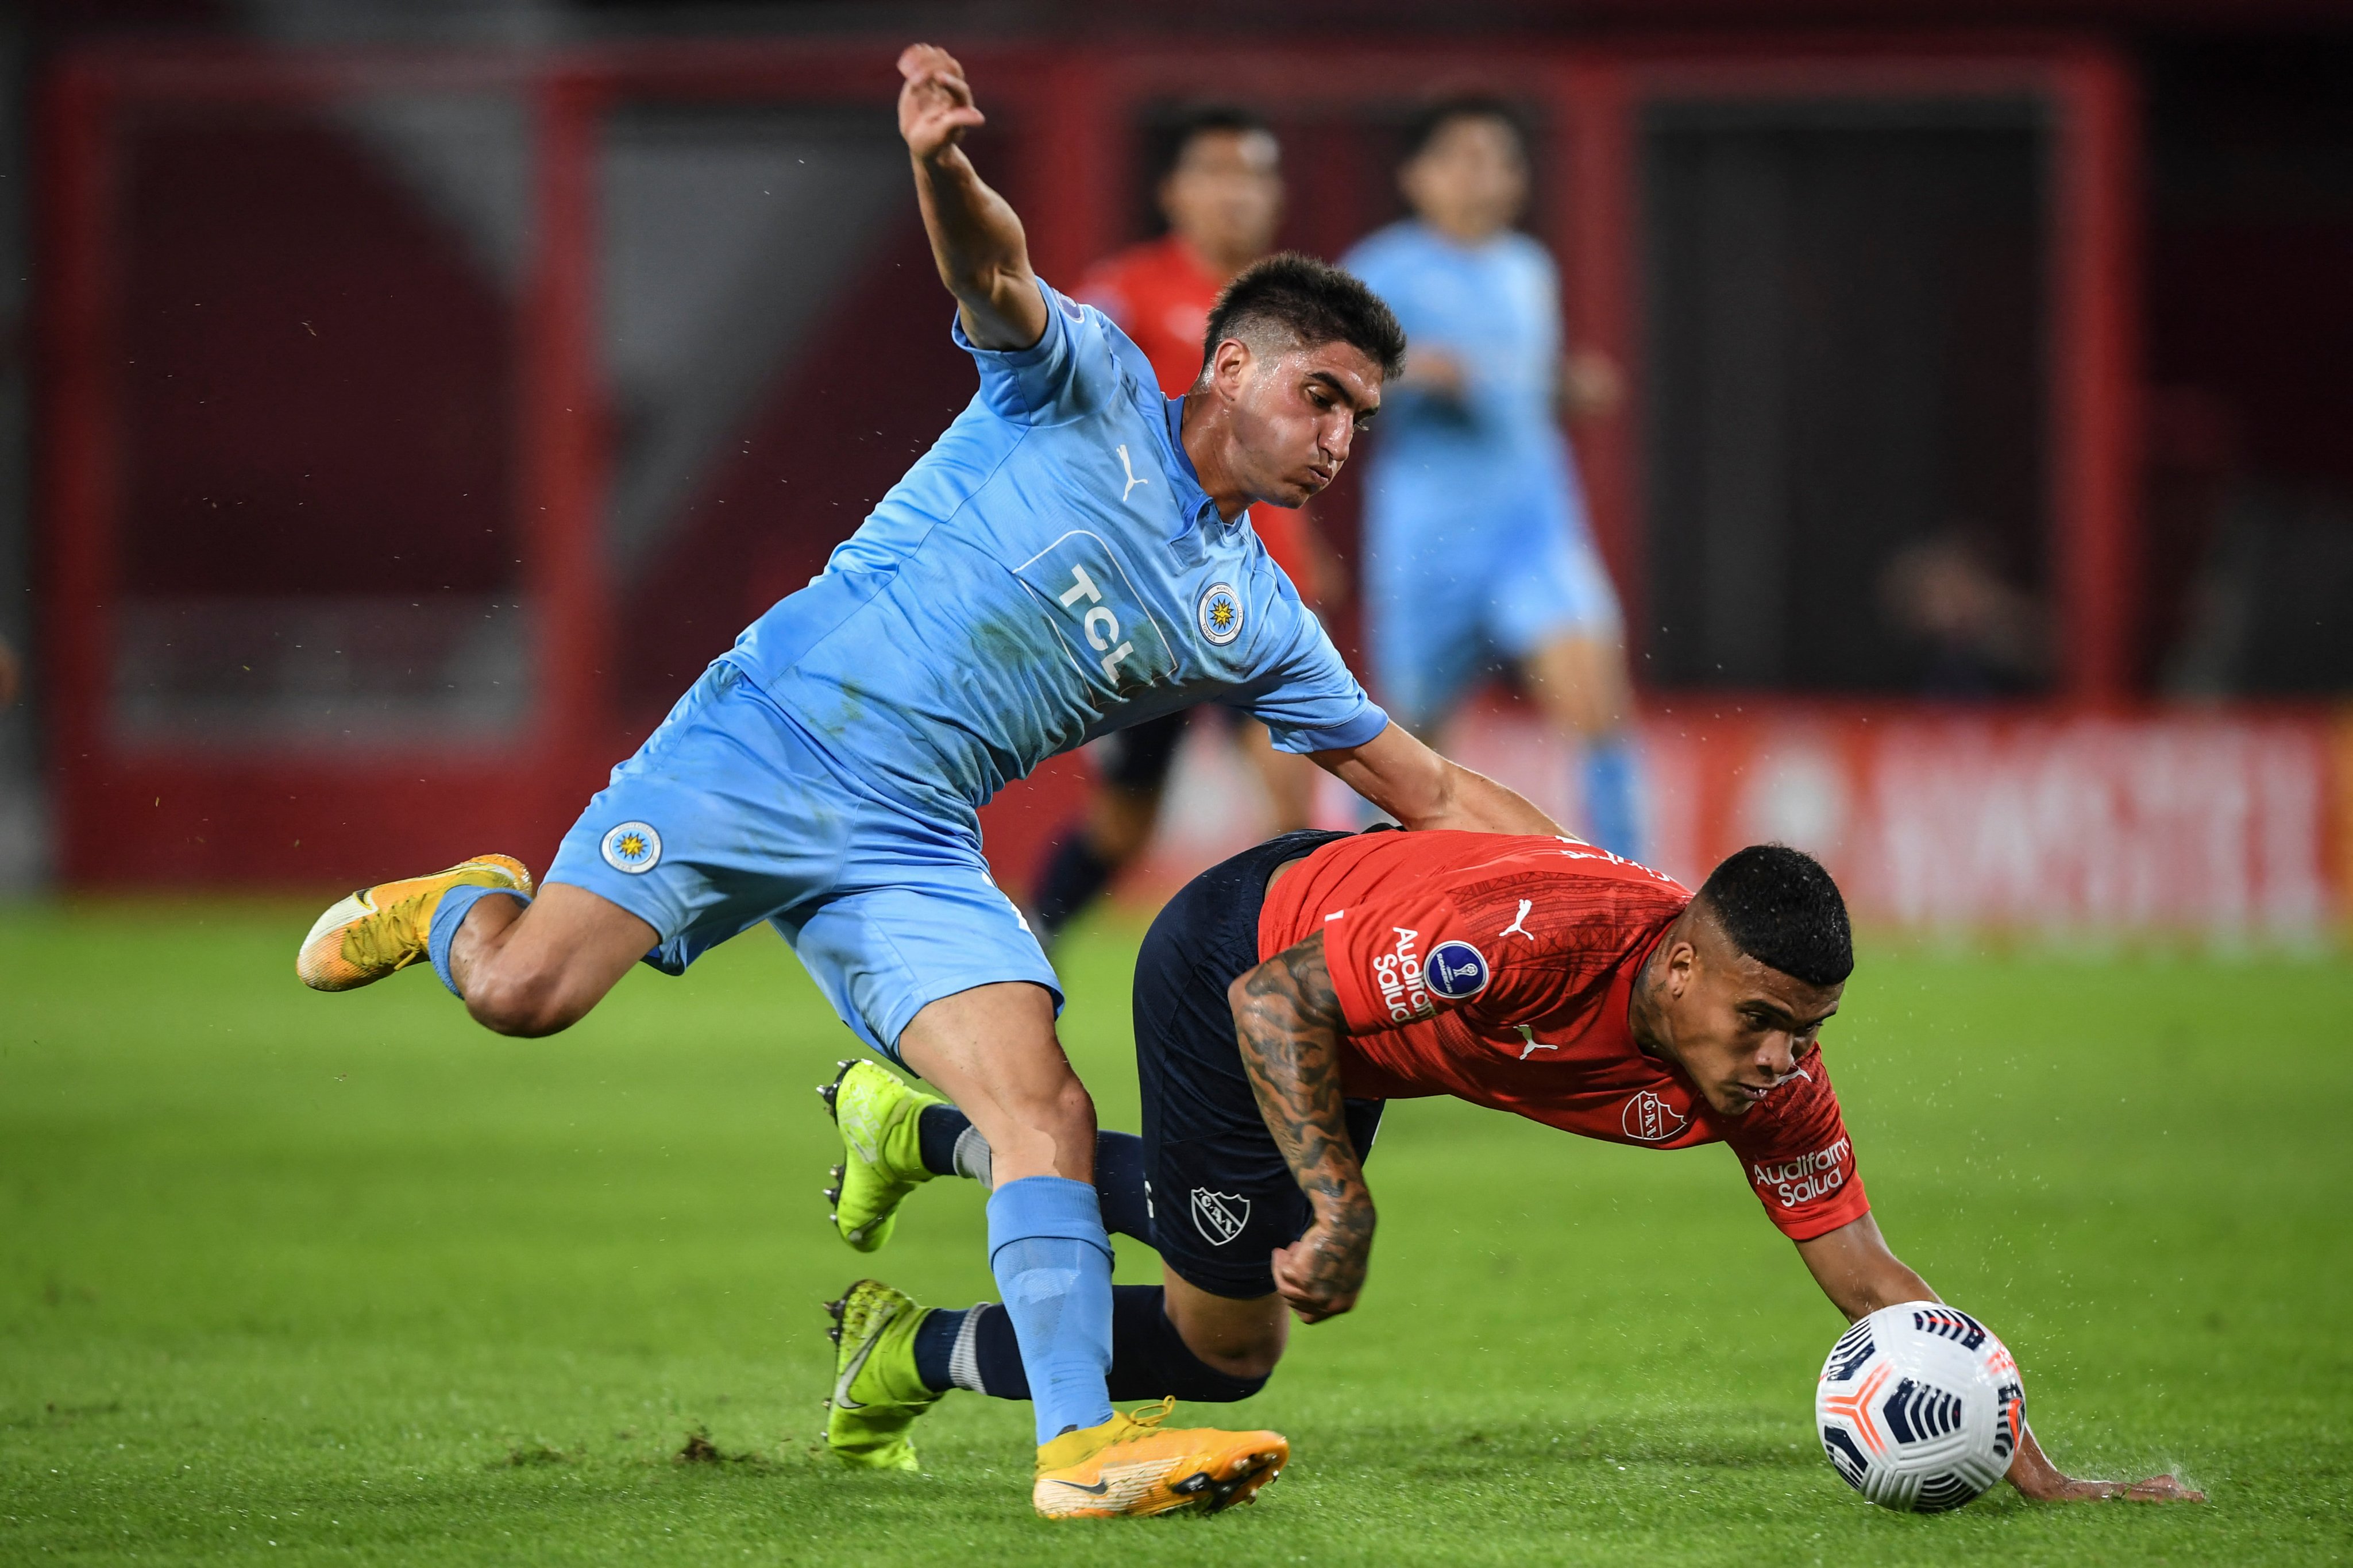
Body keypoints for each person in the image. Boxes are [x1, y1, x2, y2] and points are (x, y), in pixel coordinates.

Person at [293, 45, 1563, 1520]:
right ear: (1231, 367)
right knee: (524, 995)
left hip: (908, 845)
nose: (1341, 440)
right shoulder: (1083, 386)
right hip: (762, 743)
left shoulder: (1258, 614)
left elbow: (1422, 785)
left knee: (1046, 1115)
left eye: (1361, 418)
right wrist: (942, 168)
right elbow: (995, 279)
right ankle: (463, 907)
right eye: (1323, 398)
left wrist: (1613, 901)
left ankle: (1078, 1447)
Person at [816, 832, 2203, 1508]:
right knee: (1229, 1332)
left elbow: (1870, 1280)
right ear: (1673, 965)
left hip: (1358, 1026)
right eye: (1761, 1020)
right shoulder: (1524, 946)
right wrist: (1346, 1200)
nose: (1782, 1056)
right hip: (1244, 958)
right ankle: (921, 1220)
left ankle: (908, 1291)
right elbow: (1273, 1007)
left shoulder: (1769, 1085)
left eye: (1806, 1031)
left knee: (1228, 1290)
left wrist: (2042, 1475)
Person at [1028, 105, 1343, 946]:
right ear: (1175, 190)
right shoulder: (1123, 292)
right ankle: (1021, 952)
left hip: (1265, 593)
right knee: (1126, 826)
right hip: (1151, 600)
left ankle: (1286, 989)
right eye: (1218, 173)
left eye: (1255, 175)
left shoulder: (1305, 310)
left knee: (1290, 805)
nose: (1238, 193)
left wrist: (1307, 546)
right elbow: (1057, 405)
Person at [1344, 97, 1646, 859]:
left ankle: (1644, 898)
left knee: (1596, 701)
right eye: (1463, 157)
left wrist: (1563, 387)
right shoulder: (1380, 270)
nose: (1484, 177)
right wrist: (1406, 373)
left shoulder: (1528, 269)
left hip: (1534, 529)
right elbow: (1328, 378)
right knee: (1408, 745)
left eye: (1500, 160)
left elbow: (1515, 384)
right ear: (1418, 175)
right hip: (1429, 542)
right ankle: (1354, 890)